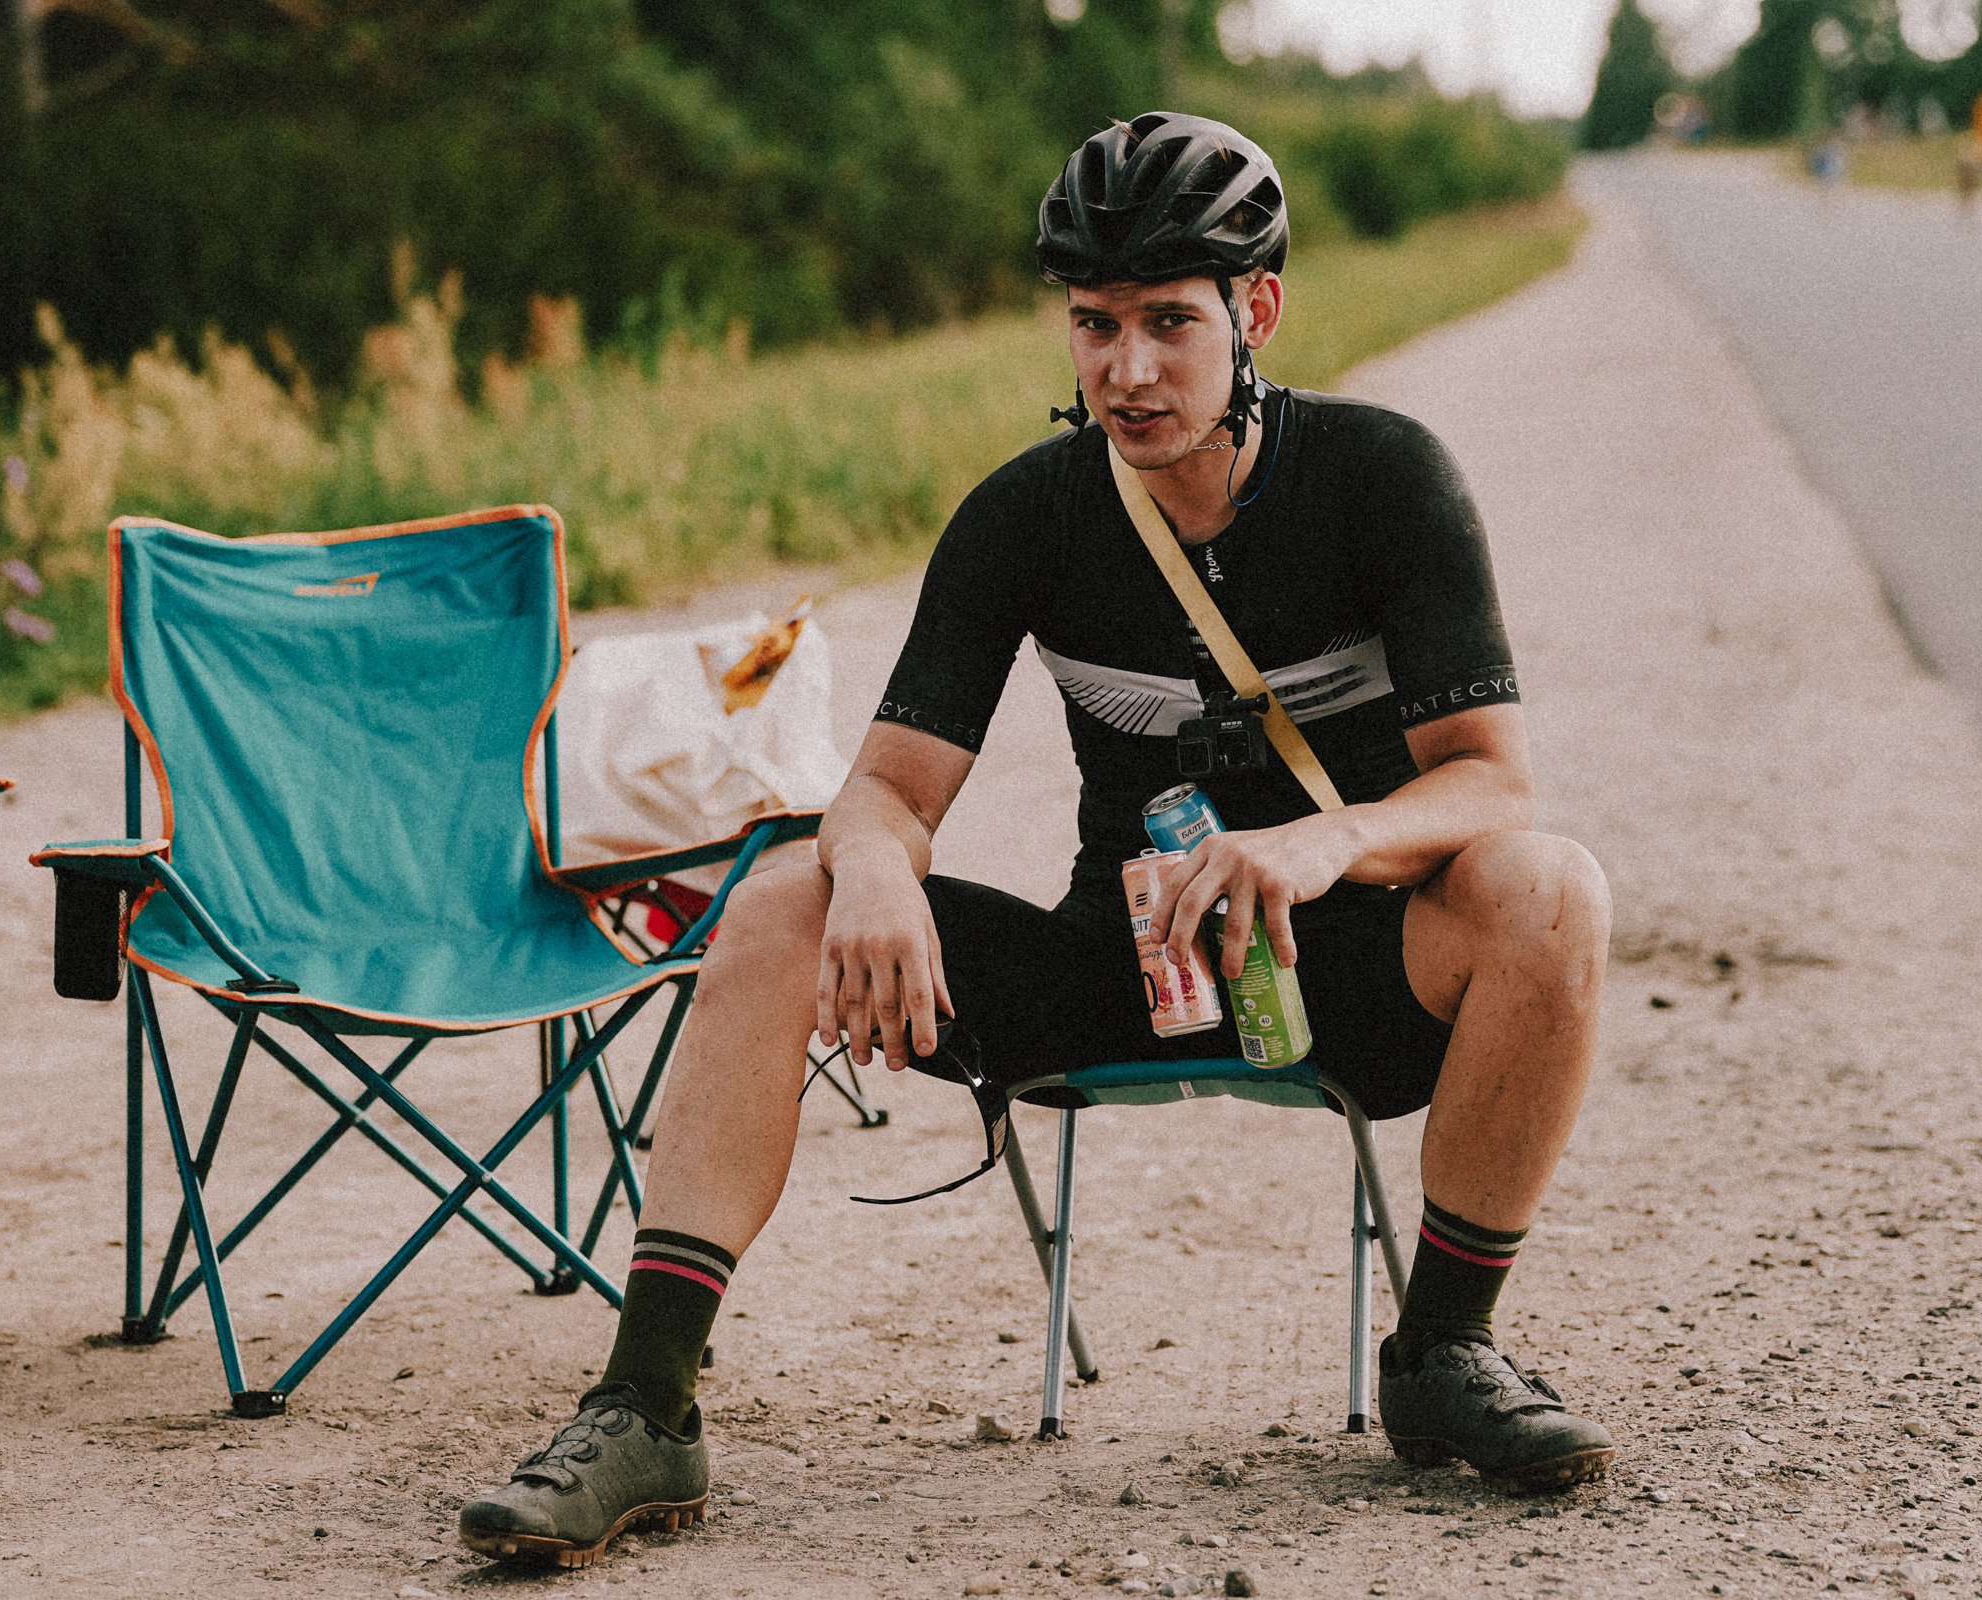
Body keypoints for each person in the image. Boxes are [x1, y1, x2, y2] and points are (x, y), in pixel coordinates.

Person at [458, 112, 1615, 1566]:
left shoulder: (1384, 475)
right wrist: (874, 865)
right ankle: (644, 1405)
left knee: (1551, 890)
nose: (1129, 370)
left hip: (1351, 971)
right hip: (1111, 965)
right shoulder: (1027, 514)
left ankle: (1444, 1353)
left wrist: (1324, 847)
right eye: (1096, 325)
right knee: (776, 904)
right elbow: (885, 787)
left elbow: (1493, 787)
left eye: (1170, 325)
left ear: (1256, 311)